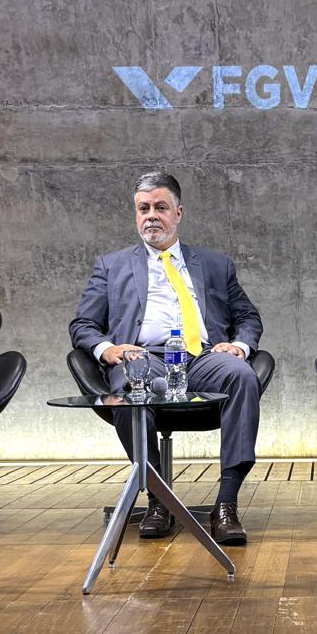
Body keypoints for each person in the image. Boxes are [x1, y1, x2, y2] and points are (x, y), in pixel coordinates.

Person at [70, 172, 263, 545]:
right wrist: (107, 349)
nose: (151, 216)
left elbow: (248, 317)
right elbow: (83, 324)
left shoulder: (215, 264)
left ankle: (226, 503)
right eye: (143, 209)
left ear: (179, 213)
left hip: (204, 357)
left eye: (160, 207)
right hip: (147, 357)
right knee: (130, 383)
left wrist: (239, 345)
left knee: (241, 375)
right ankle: (158, 498)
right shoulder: (111, 266)